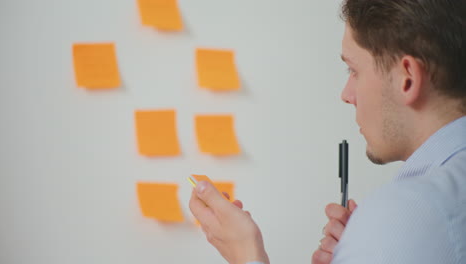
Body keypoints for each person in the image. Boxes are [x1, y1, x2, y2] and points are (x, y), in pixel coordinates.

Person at [189, 0, 466, 263]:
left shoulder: (402, 218)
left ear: (407, 78)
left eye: (353, 70)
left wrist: (246, 255)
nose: (346, 95)